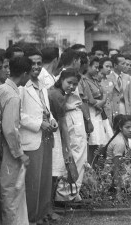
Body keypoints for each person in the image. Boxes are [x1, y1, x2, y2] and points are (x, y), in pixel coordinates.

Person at [20, 48, 57, 224]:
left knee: (44, 179)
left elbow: (45, 108)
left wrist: (52, 119)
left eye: (39, 63)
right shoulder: (21, 86)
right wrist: (38, 123)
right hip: (31, 137)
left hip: (46, 136)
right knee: (32, 181)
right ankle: (30, 219)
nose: (36, 66)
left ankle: (42, 215)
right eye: (32, 63)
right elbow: (18, 115)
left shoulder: (41, 84)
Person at [0, 56, 32, 225]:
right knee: (10, 192)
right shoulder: (12, 95)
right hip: (7, 148)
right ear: (25, 73)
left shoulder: (1, 88)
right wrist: (19, 153)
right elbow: (10, 129)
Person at [49, 69, 88, 203]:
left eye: (74, 84)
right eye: (69, 83)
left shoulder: (59, 92)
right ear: (61, 80)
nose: (71, 86)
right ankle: (63, 197)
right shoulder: (56, 94)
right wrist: (67, 148)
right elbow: (62, 123)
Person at [79, 57, 110, 163]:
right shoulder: (84, 80)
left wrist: (102, 100)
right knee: (93, 143)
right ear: (88, 66)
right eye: (96, 67)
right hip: (91, 112)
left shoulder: (94, 79)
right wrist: (102, 101)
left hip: (98, 112)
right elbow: (90, 100)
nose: (98, 70)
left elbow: (103, 93)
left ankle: (96, 169)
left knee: (99, 143)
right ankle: (91, 169)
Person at [109, 54, 131, 119]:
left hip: (124, 107)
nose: (125, 66)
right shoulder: (108, 77)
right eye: (123, 64)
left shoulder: (127, 77)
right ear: (115, 65)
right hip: (112, 108)